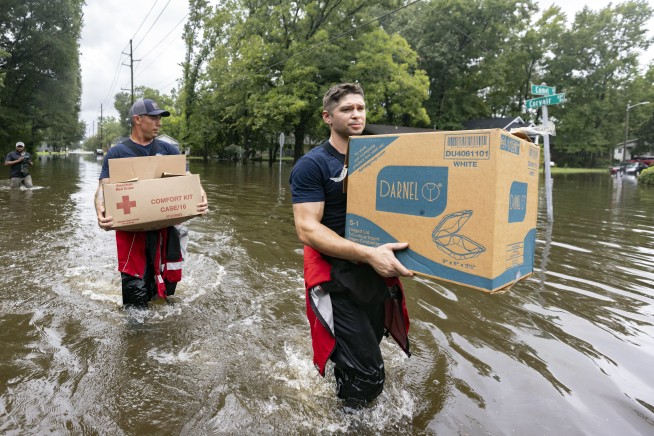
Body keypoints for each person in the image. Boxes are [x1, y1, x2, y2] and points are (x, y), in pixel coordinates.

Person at [289, 83, 413, 407]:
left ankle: (341, 405)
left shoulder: (381, 159)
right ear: (327, 117)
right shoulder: (312, 165)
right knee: (371, 375)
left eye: (360, 107)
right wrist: (367, 253)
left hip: (373, 273)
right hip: (336, 278)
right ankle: (349, 424)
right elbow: (307, 229)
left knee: (364, 353)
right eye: (347, 109)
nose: (356, 114)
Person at [94, 98, 209, 308]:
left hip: (164, 229)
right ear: (137, 119)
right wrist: (100, 211)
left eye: (160, 118)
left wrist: (201, 196)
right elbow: (103, 188)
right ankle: (136, 334)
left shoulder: (168, 150)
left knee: (165, 292)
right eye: (154, 118)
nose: (159, 123)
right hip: (132, 232)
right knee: (135, 295)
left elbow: (188, 178)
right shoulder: (117, 153)